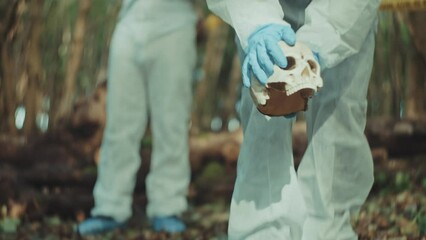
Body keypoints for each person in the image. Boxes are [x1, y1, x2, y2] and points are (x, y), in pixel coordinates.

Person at [207, 0, 381, 239]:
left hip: (344, 11)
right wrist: (258, 25)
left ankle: (328, 229)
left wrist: (317, 46)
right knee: (264, 109)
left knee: (340, 113)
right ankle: (260, 231)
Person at [77, 0, 197, 235]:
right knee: (119, 122)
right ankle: (110, 206)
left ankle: (168, 206)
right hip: (130, 19)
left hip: (175, 20)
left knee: (171, 122)